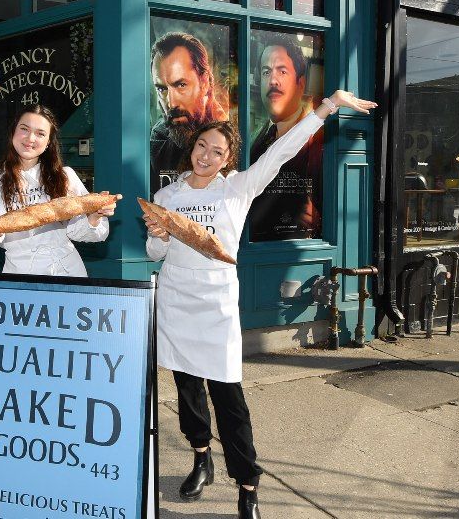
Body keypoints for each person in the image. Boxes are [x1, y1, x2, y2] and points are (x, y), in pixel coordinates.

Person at [144, 90, 376, 519]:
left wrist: (327, 106)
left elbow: (282, 151)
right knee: (187, 389)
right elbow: (156, 253)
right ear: (192, 147)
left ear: (227, 158)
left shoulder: (238, 188)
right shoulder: (167, 197)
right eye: (201, 146)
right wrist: (158, 238)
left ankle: (247, 485)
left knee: (228, 396)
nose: (206, 156)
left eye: (217, 151)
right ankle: (201, 457)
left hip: (215, 306)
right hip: (176, 300)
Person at [0, 104, 116, 276]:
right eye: (24, 129)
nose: (31, 138)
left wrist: (94, 215)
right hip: (19, 275)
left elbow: (85, 233)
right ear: (13, 132)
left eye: (40, 133)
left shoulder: (65, 176)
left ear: (48, 142)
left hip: (68, 273)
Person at [248, 36, 324, 240]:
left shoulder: (320, 140)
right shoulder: (253, 140)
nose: (273, 81)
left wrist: (320, 219)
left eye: (282, 71)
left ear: (301, 83)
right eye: (266, 72)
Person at [150, 32, 231, 192]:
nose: (171, 103)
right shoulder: (159, 139)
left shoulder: (230, 137)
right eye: (161, 89)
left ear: (204, 82)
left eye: (181, 85)